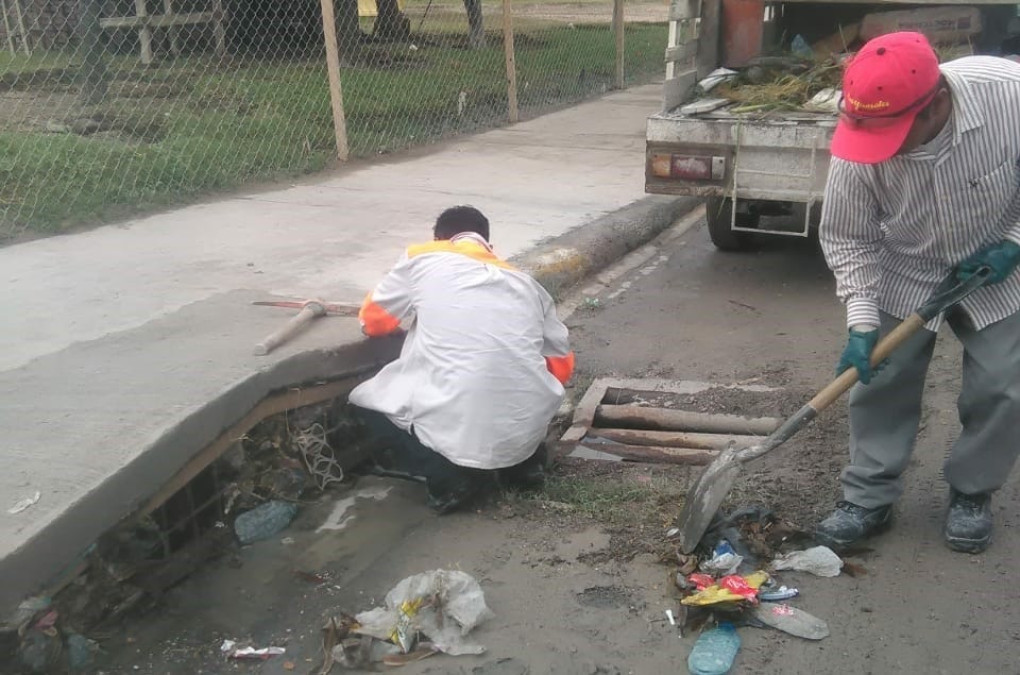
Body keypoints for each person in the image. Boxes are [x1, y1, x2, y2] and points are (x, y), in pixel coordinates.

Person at [816, 31, 1020, 554]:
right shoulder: (857, 141)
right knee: (879, 380)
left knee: (1002, 386)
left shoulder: (1009, 95)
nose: (881, 149)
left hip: (994, 260)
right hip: (903, 266)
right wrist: (861, 322)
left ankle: (972, 491)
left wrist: (1015, 243)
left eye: (895, 134)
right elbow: (848, 236)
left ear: (937, 106)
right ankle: (868, 496)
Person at [349, 205, 575, 514]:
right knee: (515, 392)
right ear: (489, 245)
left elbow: (374, 323)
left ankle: (451, 480)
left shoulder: (422, 257)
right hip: (526, 424)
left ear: (440, 239)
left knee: (367, 402)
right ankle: (525, 467)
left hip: (459, 414)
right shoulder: (526, 283)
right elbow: (561, 364)